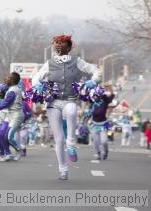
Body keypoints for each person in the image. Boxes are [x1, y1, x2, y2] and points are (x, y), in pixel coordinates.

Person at [32, 34, 101, 180]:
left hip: (70, 99)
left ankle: (71, 143)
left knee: (71, 111)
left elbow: (96, 71)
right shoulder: (49, 63)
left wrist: (93, 81)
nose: (58, 45)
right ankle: (63, 169)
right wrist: (37, 84)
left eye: (61, 43)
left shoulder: (77, 61)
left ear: (69, 47)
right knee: (58, 139)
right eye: (56, 43)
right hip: (53, 102)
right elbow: (36, 77)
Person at [0, 72, 24, 162]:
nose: (6, 78)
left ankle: (19, 149)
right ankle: (8, 154)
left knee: (8, 136)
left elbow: (7, 102)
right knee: (1, 133)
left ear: (12, 80)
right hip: (10, 114)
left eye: (9, 77)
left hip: (16, 115)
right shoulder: (10, 88)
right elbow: (1, 88)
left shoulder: (13, 90)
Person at [88, 85, 115, 160]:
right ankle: (98, 153)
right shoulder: (92, 101)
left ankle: (106, 151)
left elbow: (112, 94)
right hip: (94, 124)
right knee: (96, 141)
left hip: (103, 124)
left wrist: (109, 87)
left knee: (104, 141)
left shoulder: (105, 100)